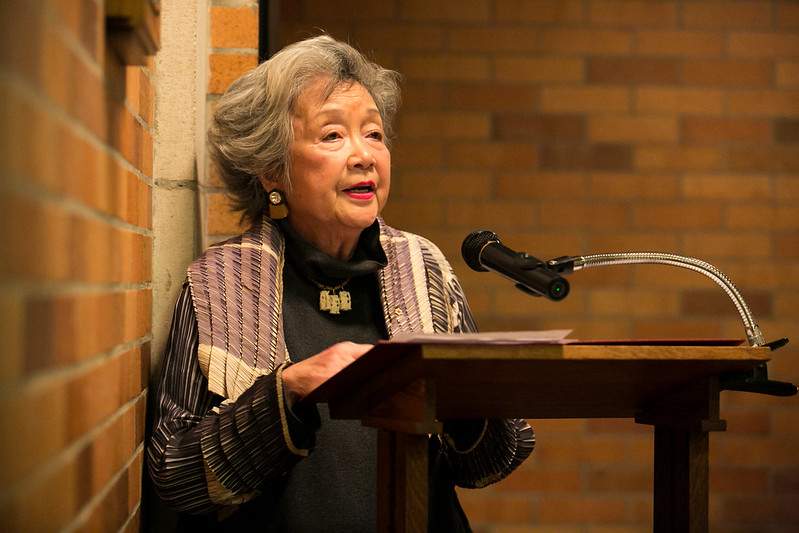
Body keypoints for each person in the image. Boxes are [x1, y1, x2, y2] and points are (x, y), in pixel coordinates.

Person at [147, 35, 534, 532]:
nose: (364, 156)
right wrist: (286, 393)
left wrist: (468, 404)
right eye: (333, 136)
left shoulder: (423, 268)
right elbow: (173, 471)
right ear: (271, 169)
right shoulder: (220, 282)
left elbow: (488, 463)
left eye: (373, 134)